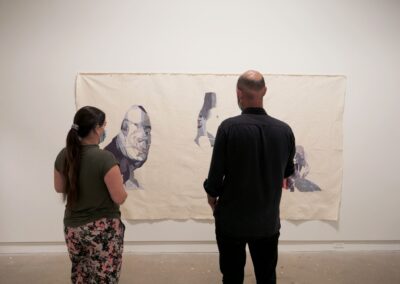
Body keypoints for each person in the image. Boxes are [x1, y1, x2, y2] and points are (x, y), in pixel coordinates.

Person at [203, 70, 296, 284]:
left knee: (232, 276)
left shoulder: (228, 128)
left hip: (232, 221)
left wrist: (212, 198)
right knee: (266, 276)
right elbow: (286, 173)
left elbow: (215, 178)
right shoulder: (284, 131)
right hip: (267, 221)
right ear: (264, 91)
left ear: (238, 92)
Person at [54, 106, 127, 283]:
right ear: (95, 128)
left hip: (73, 228)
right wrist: (120, 180)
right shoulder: (105, 159)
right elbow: (119, 197)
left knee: (81, 276)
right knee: (105, 278)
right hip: (102, 230)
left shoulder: (64, 154)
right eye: (103, 126)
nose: (104, 130)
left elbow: (59, 187)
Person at [105, 105, 151, 189]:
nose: (144, 136)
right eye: (138, 127)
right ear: (124, 129)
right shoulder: (107, 162)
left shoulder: (129, 170)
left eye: (147, 131)